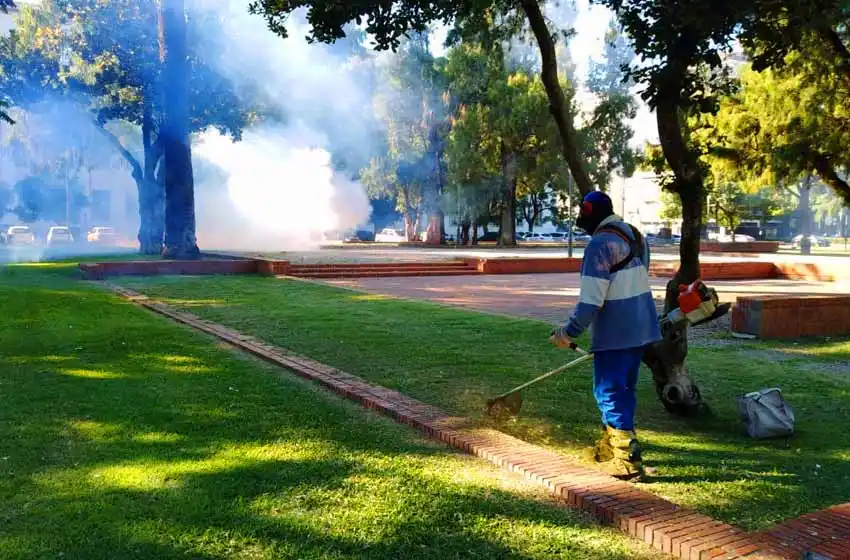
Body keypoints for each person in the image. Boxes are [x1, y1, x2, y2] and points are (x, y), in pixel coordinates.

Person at [549, 191, 661, 479]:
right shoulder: (635, 236)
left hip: (617, 330)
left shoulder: (600, 244)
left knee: (608, 391)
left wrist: (568, 332)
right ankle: (611, 448)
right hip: (641, 326)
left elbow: (591, 300)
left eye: (582, 214)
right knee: (624, 389)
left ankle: (625, 458)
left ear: (589, 211)